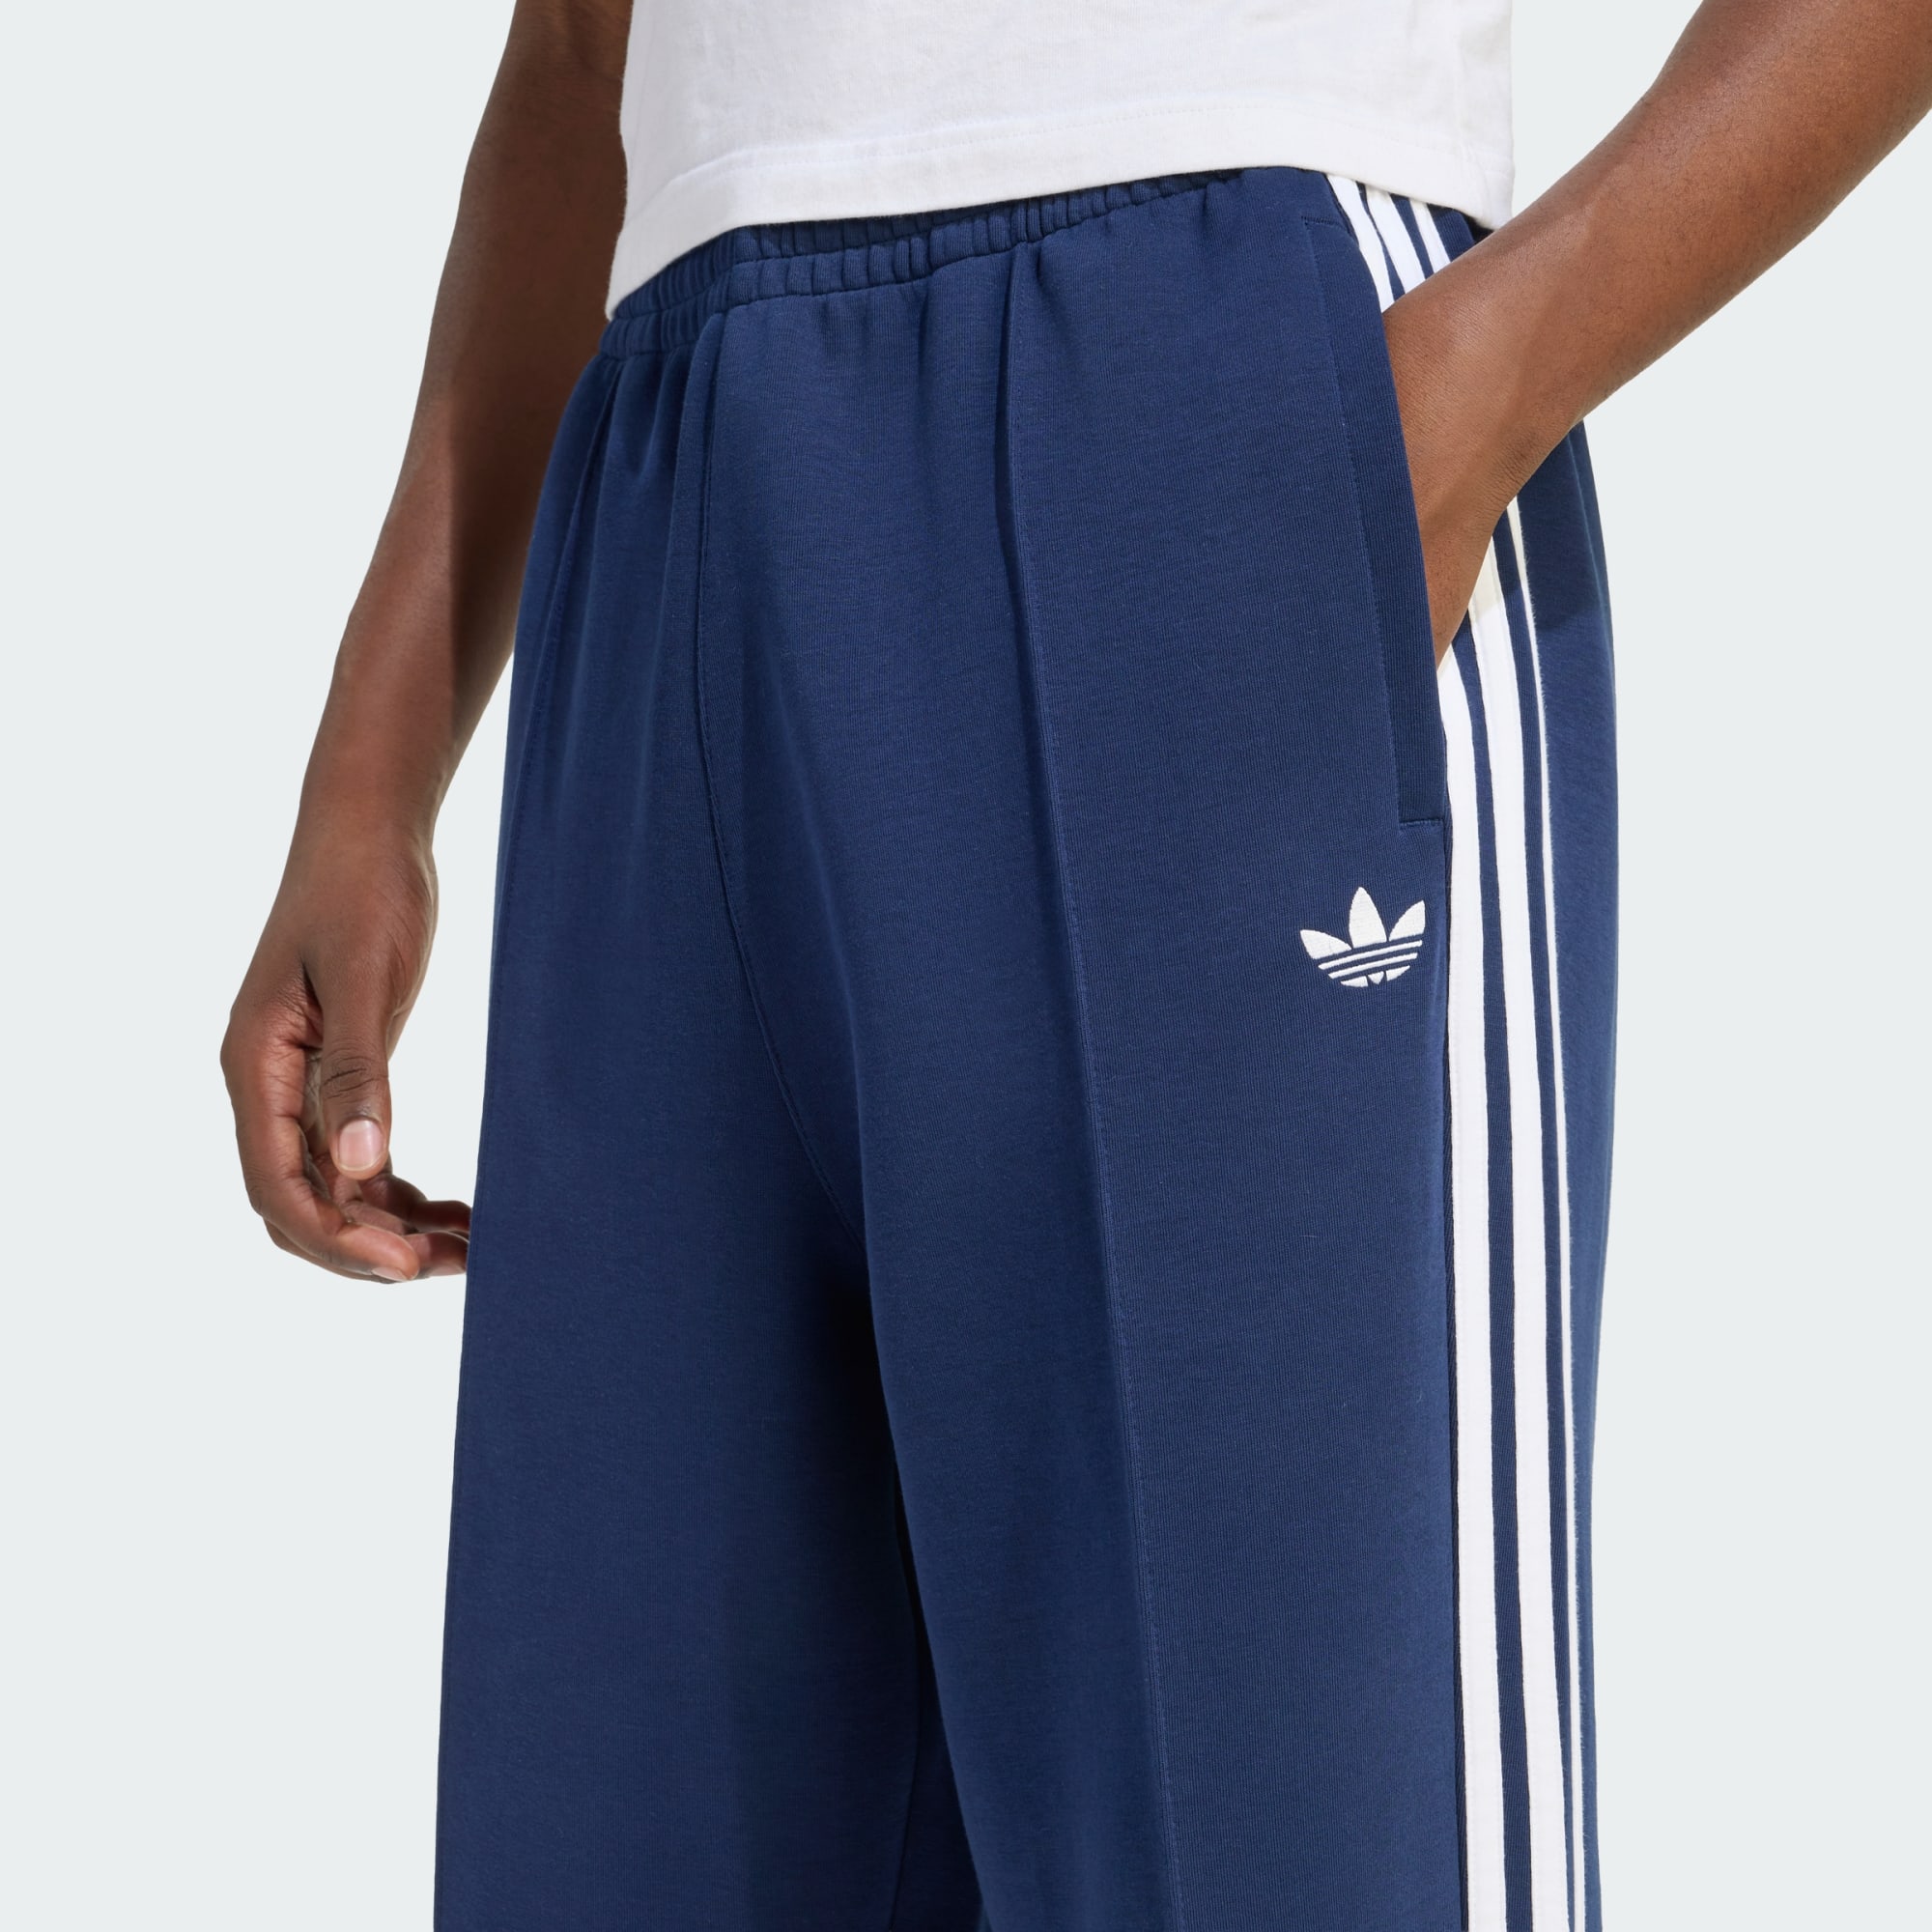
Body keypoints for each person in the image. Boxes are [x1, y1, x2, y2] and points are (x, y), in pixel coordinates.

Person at [220, 2, 1932, 1924]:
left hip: (1207, 383)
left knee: (1288, 1860)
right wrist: (371, 771)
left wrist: (1454, 402)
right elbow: (572, 53)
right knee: (629, 1851)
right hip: (675, 484)